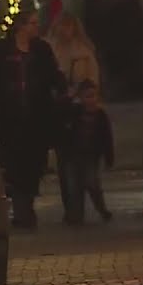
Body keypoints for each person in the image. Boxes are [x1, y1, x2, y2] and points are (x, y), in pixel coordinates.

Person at [0, 10, 65, 229]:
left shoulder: (41, 50)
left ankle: (25, 206)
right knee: (13, 165)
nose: (36, 28)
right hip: (10, 120)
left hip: (36, 118)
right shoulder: (1, 52)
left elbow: (53, 76)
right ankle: (21, 210)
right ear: (21, 26)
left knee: (33, 165)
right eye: (32, 23)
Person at [44, 12, 101, 220]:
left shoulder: (84, 52)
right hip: (61, 113)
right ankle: (71, 207)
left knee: (82, 162)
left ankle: (80, 206)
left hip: (80, 112)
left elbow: (92, 80)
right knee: (64, 162)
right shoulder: (51, 50)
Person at [59, 80, 115, 225]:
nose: (91, 100)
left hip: (91, 156)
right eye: (87, 96)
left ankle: (102, 209)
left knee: (92, 183)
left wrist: (109, 158)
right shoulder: (75, 112)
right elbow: (64, 117)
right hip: (73, 155)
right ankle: (76, 215)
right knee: (73, 187)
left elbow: (107, 138)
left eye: (93, 96)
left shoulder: (101, 116)